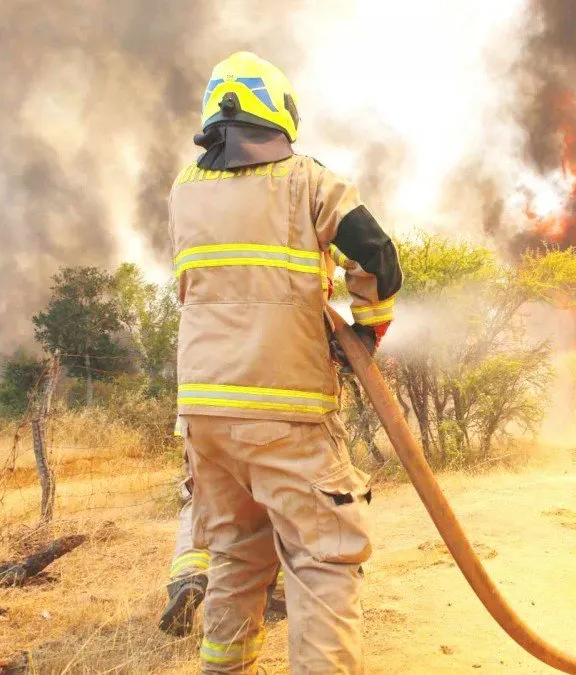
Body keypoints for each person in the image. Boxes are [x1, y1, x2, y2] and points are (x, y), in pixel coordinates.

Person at [168, 52, 402, 674]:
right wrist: (366, 333)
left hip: (207, 420)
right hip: (289, 414)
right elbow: (378, 253)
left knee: (236, 558)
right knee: (323, 561)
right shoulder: (308, 181)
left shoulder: (183, 192)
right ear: (280, 114)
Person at [157, 444, 286, 637]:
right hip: (267, 433)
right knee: (275, 506)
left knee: (201, 506)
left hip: (204, 429)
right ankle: (277, 594)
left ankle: (188, 578)